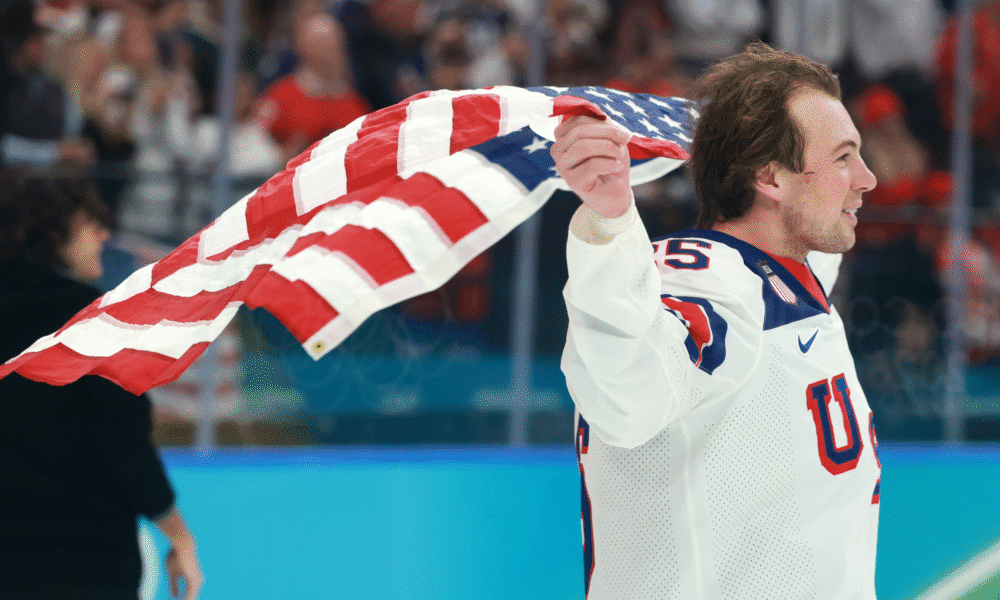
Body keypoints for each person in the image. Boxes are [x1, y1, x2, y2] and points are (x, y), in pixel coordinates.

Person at [551, 42, 881, 598]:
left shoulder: (783, 273)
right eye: (844, 157)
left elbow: (803, 234)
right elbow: (631, 393)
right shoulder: (704, 283)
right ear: (772, 179)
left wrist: (739, 117)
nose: (867, 178)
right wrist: (609, 226)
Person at [0, 170, 203, 600]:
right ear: (65, 230)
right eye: (95, 225)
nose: (105, 237)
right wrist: (178, 534)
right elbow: (122, 441)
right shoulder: (88, 324)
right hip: (86, 560)